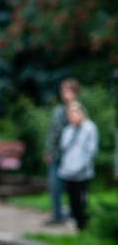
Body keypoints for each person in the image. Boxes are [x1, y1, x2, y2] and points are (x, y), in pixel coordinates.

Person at [43, 78, 81, 225]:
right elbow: (52, 133)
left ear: (75, 92)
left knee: (73, 186)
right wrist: (48, 151)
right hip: (56, 154)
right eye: (62, 90)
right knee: (54, 184)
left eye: (67, 90)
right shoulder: (58, 111)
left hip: (71, 156)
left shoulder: (78, 110)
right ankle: (57, 214)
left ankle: (74, 213)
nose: (64, 94)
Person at [58, 101, 98, 231]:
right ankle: (78, 225)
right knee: (72, 200)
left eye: (74, 113)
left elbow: (91, 149)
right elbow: (63, 147)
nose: (72, 117)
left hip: (82, 171)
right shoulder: (68, 129)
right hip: (68, 170)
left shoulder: (89, 128)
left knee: (82, 200)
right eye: (69, 114)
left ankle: (84, 225)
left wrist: (82, 165)